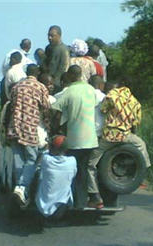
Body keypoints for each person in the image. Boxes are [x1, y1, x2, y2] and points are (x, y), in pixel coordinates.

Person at [85, 81, 151, 208]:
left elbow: (103, 110)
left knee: (90, 164)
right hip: (126, 135)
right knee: (141, 145)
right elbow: (135, 125)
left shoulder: (111, 96)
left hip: (109, 137)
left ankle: (95, 195)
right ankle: (141, 174)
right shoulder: (134, 101)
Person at [52, 65, 98, 208]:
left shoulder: (69, 91)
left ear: (71, 76)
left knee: (75, 171)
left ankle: (76, 202)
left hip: (75, 139)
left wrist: (55, 128)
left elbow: (56, 110)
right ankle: (86, 200)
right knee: (84, 169)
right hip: (91, 138)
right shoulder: (91, 90)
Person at [7, 64, 51, 207]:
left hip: (14, 128)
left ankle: (18, 189)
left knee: (18, 161)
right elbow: (46, 110)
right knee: (31, 160)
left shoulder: (16, 87)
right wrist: (49, 128)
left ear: (26, 72)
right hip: (30, 129)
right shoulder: (40, 88)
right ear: (37, 73)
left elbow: (10, 105)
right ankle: (22, 187)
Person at [36, 135, 77, 217]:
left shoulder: (46, 159)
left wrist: (47, 147)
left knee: (37, 173)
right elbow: (74, 175)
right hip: (62, 204)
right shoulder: (72, 161)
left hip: (42, 204)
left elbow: (38, 162)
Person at [45, 25, 70, 92]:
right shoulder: (48, 48)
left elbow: (65, 67)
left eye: (52, 36)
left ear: (59, 36)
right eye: (48, 35)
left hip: (58, 84)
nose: (50, 38)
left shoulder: (64, 49)